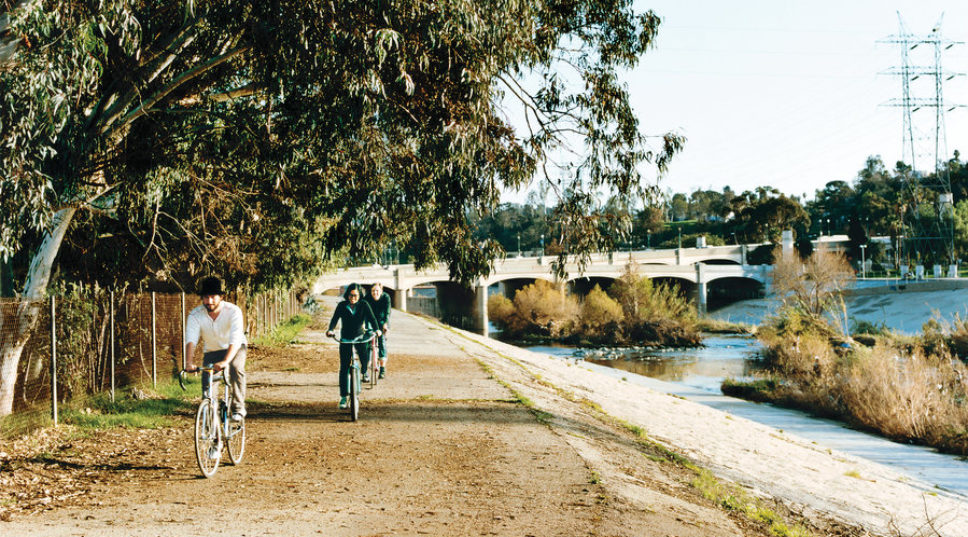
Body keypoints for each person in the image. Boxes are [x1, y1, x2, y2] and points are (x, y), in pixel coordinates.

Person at [184, 276, 248, 421]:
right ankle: (210, 418)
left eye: (213, 297)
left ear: (221, 297)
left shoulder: (233, 311)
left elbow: (236, 338)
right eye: (206, 297)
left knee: (236, 368)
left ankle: (238, 408)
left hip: (235, 347)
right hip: (212, 351)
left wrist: (226, 361)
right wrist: (188, 363)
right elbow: (191, 340)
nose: (209, 301)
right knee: (208, 383)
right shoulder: (195, 315)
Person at [326, 283, 380, 409]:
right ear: (347, 295)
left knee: (364, 357)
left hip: (360, 337)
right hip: (346, 338)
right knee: (344, 367)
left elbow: (372, 319)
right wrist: (330, 330)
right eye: (350, 295)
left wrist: (377, 330)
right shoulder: (342, 306)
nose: (352, 297)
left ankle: (365, 371)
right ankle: (344, 397)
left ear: (359, 295)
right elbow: (334, 319)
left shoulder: (364, 305)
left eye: (355, 295)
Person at [363, 282, 392, 379]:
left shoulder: (386, 297)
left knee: (382, 343)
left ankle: (382, 369)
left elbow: (387, 312)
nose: (375, 293)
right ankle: (365, 370)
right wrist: (363, 324)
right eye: (373, 291)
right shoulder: (367, 298)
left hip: (382, 321)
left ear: (381, 291)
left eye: (377, 291)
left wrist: (385, 324)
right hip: (370, 321)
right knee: (366, 343)